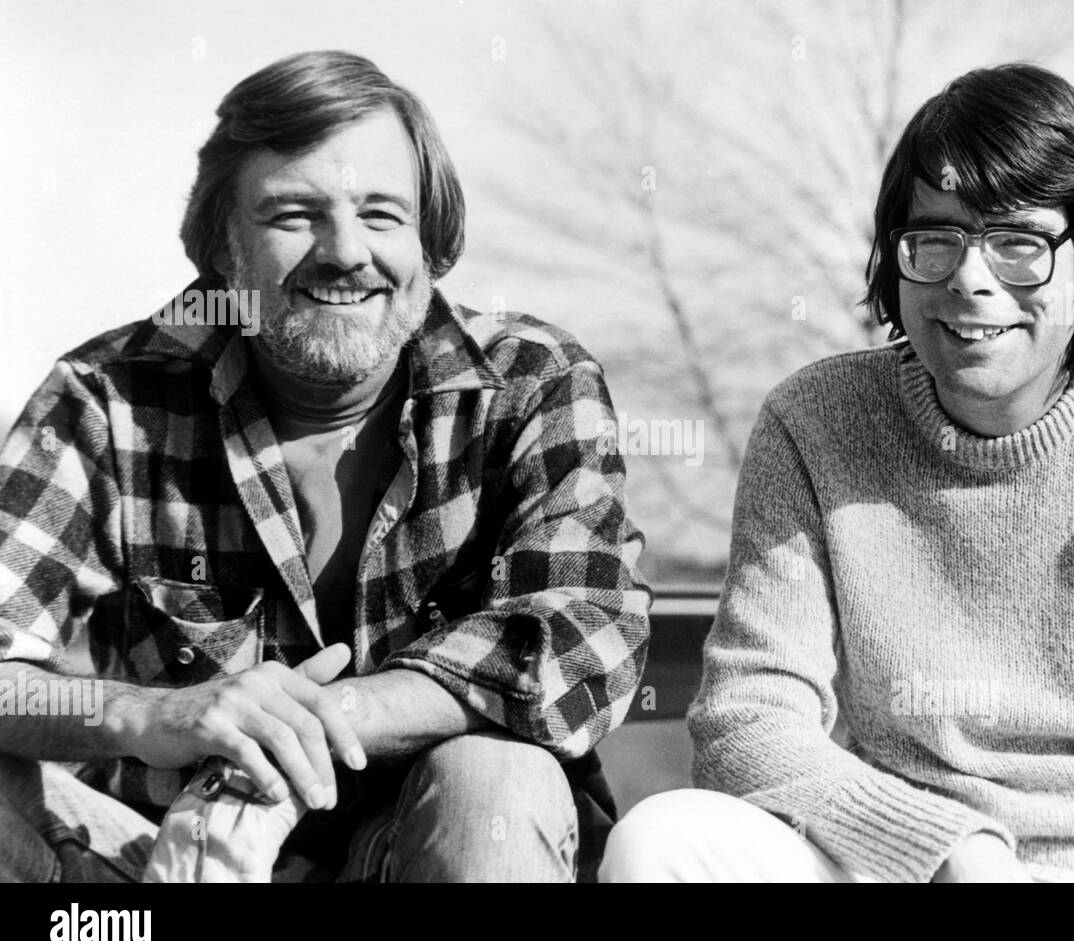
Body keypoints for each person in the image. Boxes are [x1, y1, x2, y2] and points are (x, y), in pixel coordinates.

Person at [600, 62, 1074, 883]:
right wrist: (948, 850)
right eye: (935, 238)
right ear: (895, 261)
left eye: (1018, 242)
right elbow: (746, 723)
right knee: (662, 841)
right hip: (898, 865)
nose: (971, 277)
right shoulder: (815, 422)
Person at [0, 50, 650, 883]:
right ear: (222, 246)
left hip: (428, 850)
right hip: (165, 861)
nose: (346, 253)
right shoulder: (106, 398)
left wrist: (310, 724)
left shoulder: (532, 381)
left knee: (495, 776)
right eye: (293, 214)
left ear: (432, 238)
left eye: (381, 214)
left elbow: (581, 634)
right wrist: (153, 716)